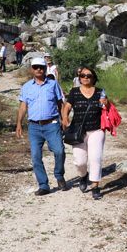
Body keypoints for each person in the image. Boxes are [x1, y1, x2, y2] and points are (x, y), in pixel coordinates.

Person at [16, 57, 68, 196]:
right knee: (36, 156)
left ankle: (59, 175)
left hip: (52, 124)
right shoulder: (26, 87)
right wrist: (19, 123)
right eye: (35, 67)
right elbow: (23, 106)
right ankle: (43, 185)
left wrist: (64, 119)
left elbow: (60, 103)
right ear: (31, 69)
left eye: (41, 67)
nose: (39, 69)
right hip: (34, 127)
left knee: (59, 151)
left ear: (45, 68)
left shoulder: (53, 84)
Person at [61, 66, 107, 200]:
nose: (85, 78)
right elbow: (68, 106)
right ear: (79, 78)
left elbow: (108, 107)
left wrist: (106, 103)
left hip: (96, 130)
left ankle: (95, 186)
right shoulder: (74, 92)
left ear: (94, 78)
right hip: (78, 130)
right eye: (83, 76)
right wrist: (65, 117)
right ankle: (83, 176)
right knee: (79, 161)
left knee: (95, 158)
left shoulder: (100, 92)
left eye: (88, 75)